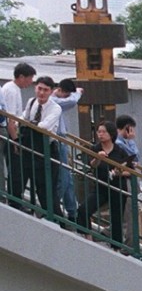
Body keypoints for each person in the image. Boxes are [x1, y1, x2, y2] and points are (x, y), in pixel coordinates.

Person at [77, 121, 131, 246]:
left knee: (117, 218)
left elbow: (130, 171)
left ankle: (116, 247)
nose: (100, 134)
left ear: (111, 134)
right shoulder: (96, 148)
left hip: (117, 187)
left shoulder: (119, 150)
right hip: (101, 186)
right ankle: (87, 236)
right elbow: (92, 165)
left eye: (103, 132)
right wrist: (98, 158)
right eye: (99, 131)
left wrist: (118, 173)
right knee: (84, 209)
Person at [18, 76, 62, 214]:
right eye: (39, 89)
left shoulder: (55, 108)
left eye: (46, 90)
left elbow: (44, 126)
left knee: (47, 188)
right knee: (32, 182)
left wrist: (28, 123)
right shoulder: (31, 102)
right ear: (35, 88)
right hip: (31, 147)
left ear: (51, 91)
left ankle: (57, 219)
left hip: (48, 150)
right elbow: (23, 117)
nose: (41, 93)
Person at [2, 62, 35, 202]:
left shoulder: (14, 89)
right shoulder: (11, 90)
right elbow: (10, 117)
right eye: (30, 78)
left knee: (18, 169)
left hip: (13, 130)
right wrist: (15, 140)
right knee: (16, 169)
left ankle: (16, 199)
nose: (31, 82)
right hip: (10, 132)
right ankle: (14, 201)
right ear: (21, 77)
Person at [52, 79, 82, 220]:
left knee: (68, 178)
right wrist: (77, 93)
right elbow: (72, 101)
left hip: (62, 140)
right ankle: (54, 206)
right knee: (63, 177)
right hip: (57, 140)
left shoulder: (56, 100)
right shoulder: (54, 101)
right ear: (62, 91)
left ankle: (72, 212)